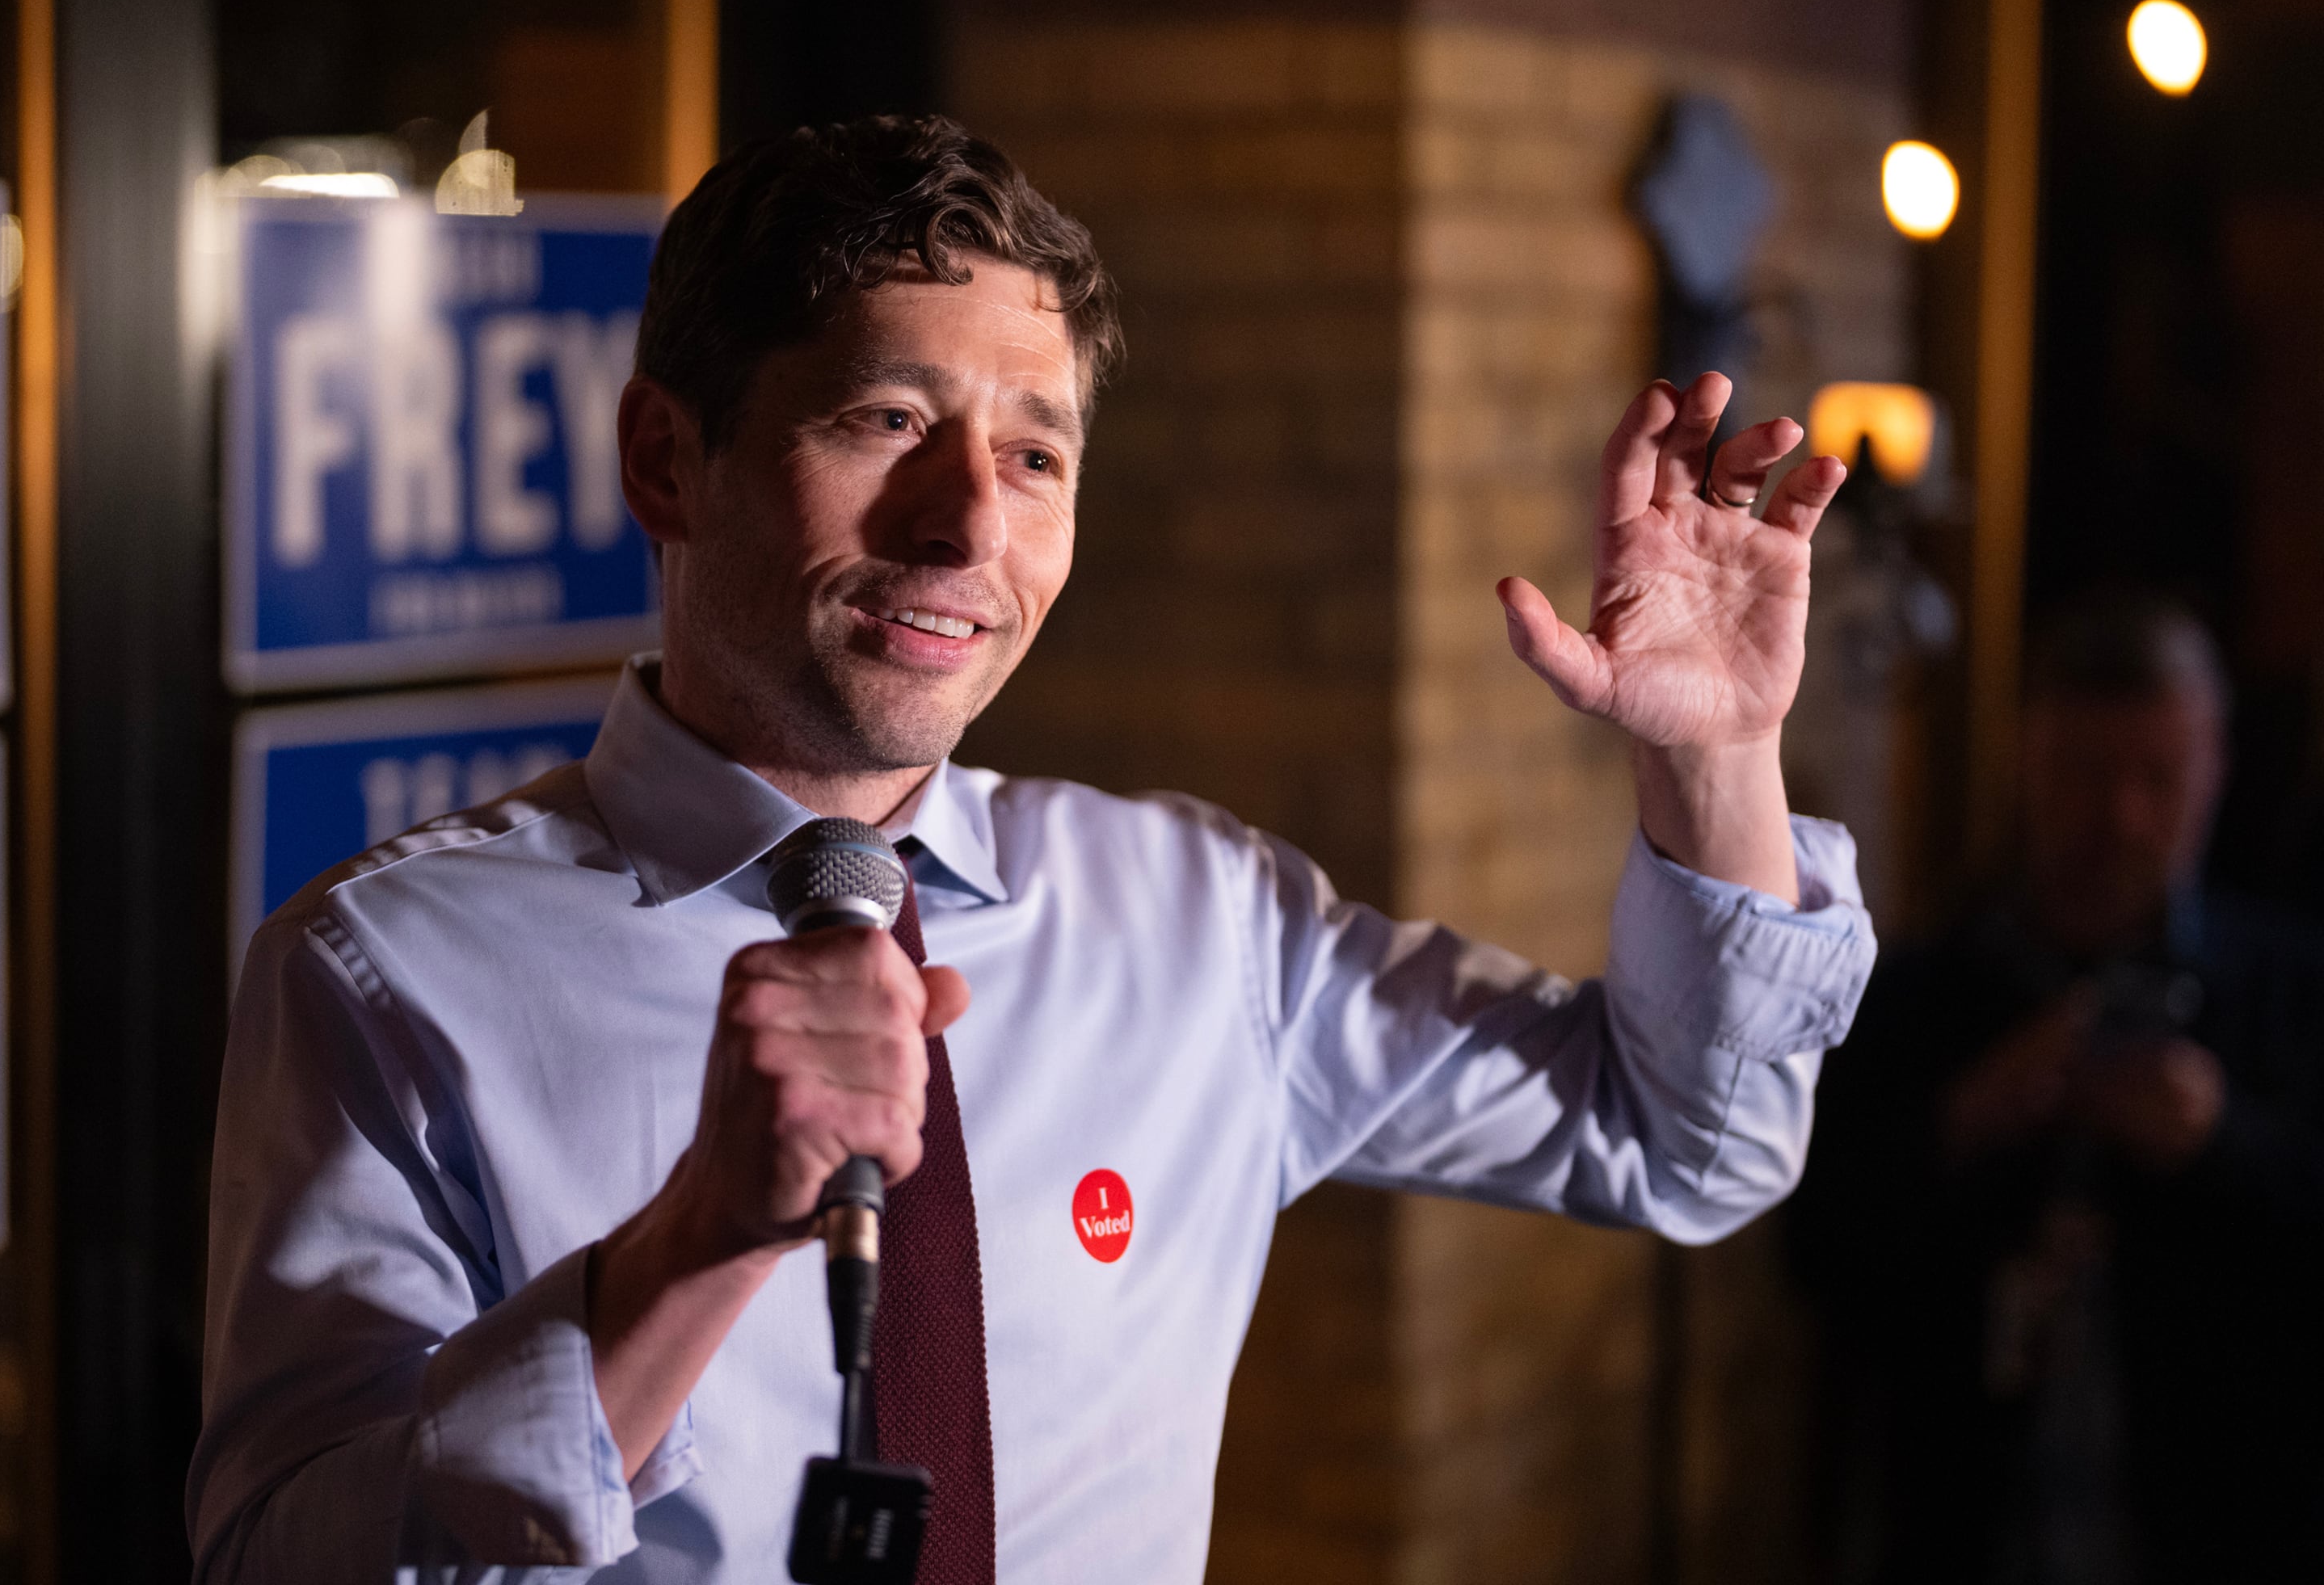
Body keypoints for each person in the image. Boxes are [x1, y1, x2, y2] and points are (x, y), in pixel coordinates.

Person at [188, 116, 1878, 1581]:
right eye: (884, 422)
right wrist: (695, 1239)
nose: (970, 523)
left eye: (1036, 454)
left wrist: (1716, 759)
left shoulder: (1200, 921)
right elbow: (283, 1559)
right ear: (665, 460)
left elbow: (1689, 1142)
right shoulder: (386, 971)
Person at [1791, 594, 2324, 1583]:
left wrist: (2223, 1142)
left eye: (2157, 779)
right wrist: (1964, 1121)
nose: (2120, 819)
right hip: (1962, 1530)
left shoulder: (2292, 991)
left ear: (2213, 774)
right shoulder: (1913, 997)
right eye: (2084, 774)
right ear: (2023, 765)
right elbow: (1816, 1251)